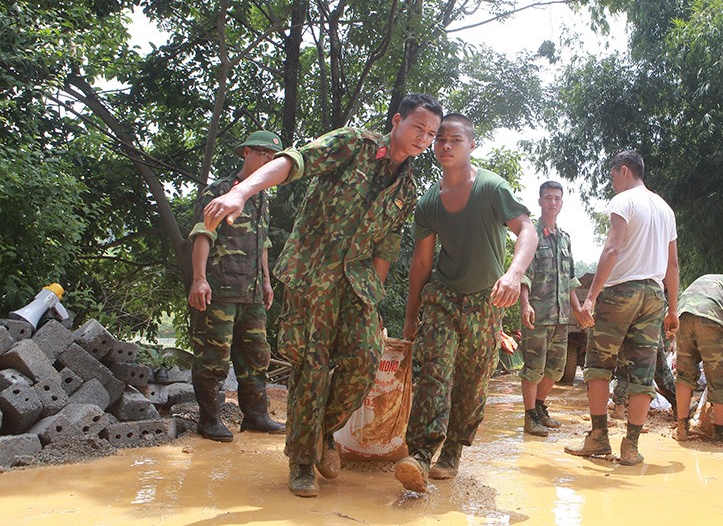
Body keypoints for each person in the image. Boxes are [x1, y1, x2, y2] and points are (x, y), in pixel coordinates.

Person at [200, 94, 443, 497]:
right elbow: (294, 161)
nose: (424, 138)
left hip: (357, 283)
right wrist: (242, 191)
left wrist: (374, 294)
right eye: (418, 127)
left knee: (365, 362)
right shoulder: (353, 145)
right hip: (312, 273)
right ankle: (301, 464)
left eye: (431, 133)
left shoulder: (409, 186)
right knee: (311, 368)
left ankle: (321, 433)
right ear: (397, 121)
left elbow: (386, 243)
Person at [394, 113, 538, 492]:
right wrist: (411, 317)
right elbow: (423, 262)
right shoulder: (428, 203)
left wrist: (514, 273)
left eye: (454, 139)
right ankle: (420, 455)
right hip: (441, 296)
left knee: (473, 383)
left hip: (485, 301)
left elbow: (527, 229)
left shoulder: (491, 188)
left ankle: (453, 449)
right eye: (439, 139)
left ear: (471, 145)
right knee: (435, 374)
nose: (444, 145)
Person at [565, 149, 679, 466]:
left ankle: (599, 438)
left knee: (598, 364)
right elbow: (672, 264)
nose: (613, 183)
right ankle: (630, 446)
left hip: (621, 292)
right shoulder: (665, 209)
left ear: (624, 171)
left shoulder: (624, 200)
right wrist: (673, 309)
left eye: (613, 176)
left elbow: (613, 247)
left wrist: (590, 297)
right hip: (654, 296)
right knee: (643, 372)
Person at [189, 130, 286, 443]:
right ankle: (209, 420)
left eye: (273, 157)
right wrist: (199, 278)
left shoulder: (261, 197)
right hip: (220, 289)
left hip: (253, 292)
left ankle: (256, 416)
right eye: (262, 153)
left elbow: (263, 245)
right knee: (213, 358)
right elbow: (204, 234)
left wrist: (268, 282)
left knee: (257, 356)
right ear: (245, 152)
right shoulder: (220, 190)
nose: (267, 160)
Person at [518, 181, 581, 437]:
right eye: (548, 198)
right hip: (538, 314)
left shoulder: (565, 239)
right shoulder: (530, 234)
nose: (552, 202)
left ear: (561, 203)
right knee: (533, 368)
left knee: (556, 368)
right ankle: (529, 416)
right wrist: (524, 304)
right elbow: (524, 273)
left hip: (561, 316)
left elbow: (571, 280)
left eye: (557, 198)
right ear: (540, 202)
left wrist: (578, 310)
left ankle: (540, 407)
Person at [672, 274, 723, 446]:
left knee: (684, 375)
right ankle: (720, 433)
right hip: (713, 316)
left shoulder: (710, 280)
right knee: (719, 377)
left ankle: (681, 429)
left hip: (683, 314)